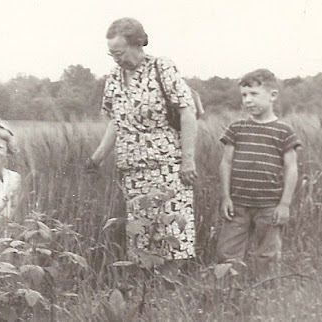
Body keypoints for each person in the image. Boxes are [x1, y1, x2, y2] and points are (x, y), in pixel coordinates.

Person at [87, 18, 198, 264]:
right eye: (112, 54)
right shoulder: (114, 77)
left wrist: (188, 160)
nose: (116, 59)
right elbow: (117, 122)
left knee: (171, 232)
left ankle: (171, 292)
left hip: (167, 169)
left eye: (120, 53)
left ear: (138, 44)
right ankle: (147, 294)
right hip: (133, 173)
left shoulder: (162, 68)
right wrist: (96, 159)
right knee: (140, 234)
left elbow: (187, 112)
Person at [216, 69, 301, 279]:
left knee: (268, 254)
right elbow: (226, 163)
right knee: (227, 252)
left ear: (272, 95)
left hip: (269, 205)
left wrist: (284, 204)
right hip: (237, 204)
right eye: (244, 95)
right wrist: (226, 197)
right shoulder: (237, 128)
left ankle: (267, 296)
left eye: (254, 94)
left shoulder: (284, 131)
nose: (247, 100)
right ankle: (228, 293)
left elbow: (292, 168)